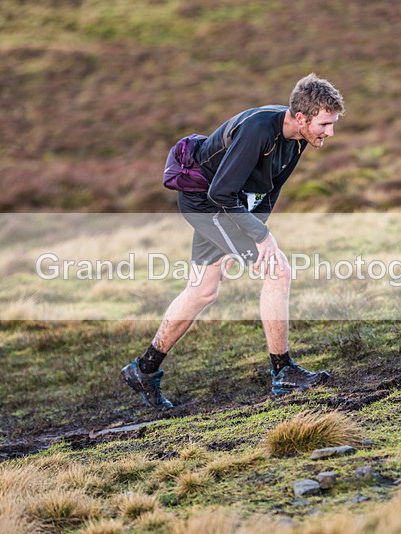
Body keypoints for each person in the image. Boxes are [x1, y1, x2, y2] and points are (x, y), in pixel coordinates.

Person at [122, 73, 345, 410]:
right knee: (278, 271)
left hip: (225, 207)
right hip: (206, 204)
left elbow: (270, 191)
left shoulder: (296, 139)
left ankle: (143, 369)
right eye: (325, 124)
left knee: (202, 291)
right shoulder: (258, 130)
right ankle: (283, 372)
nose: (330, 132)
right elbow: (219, 192)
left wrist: (254, 235)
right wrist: (260, 237)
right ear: (301, 117)